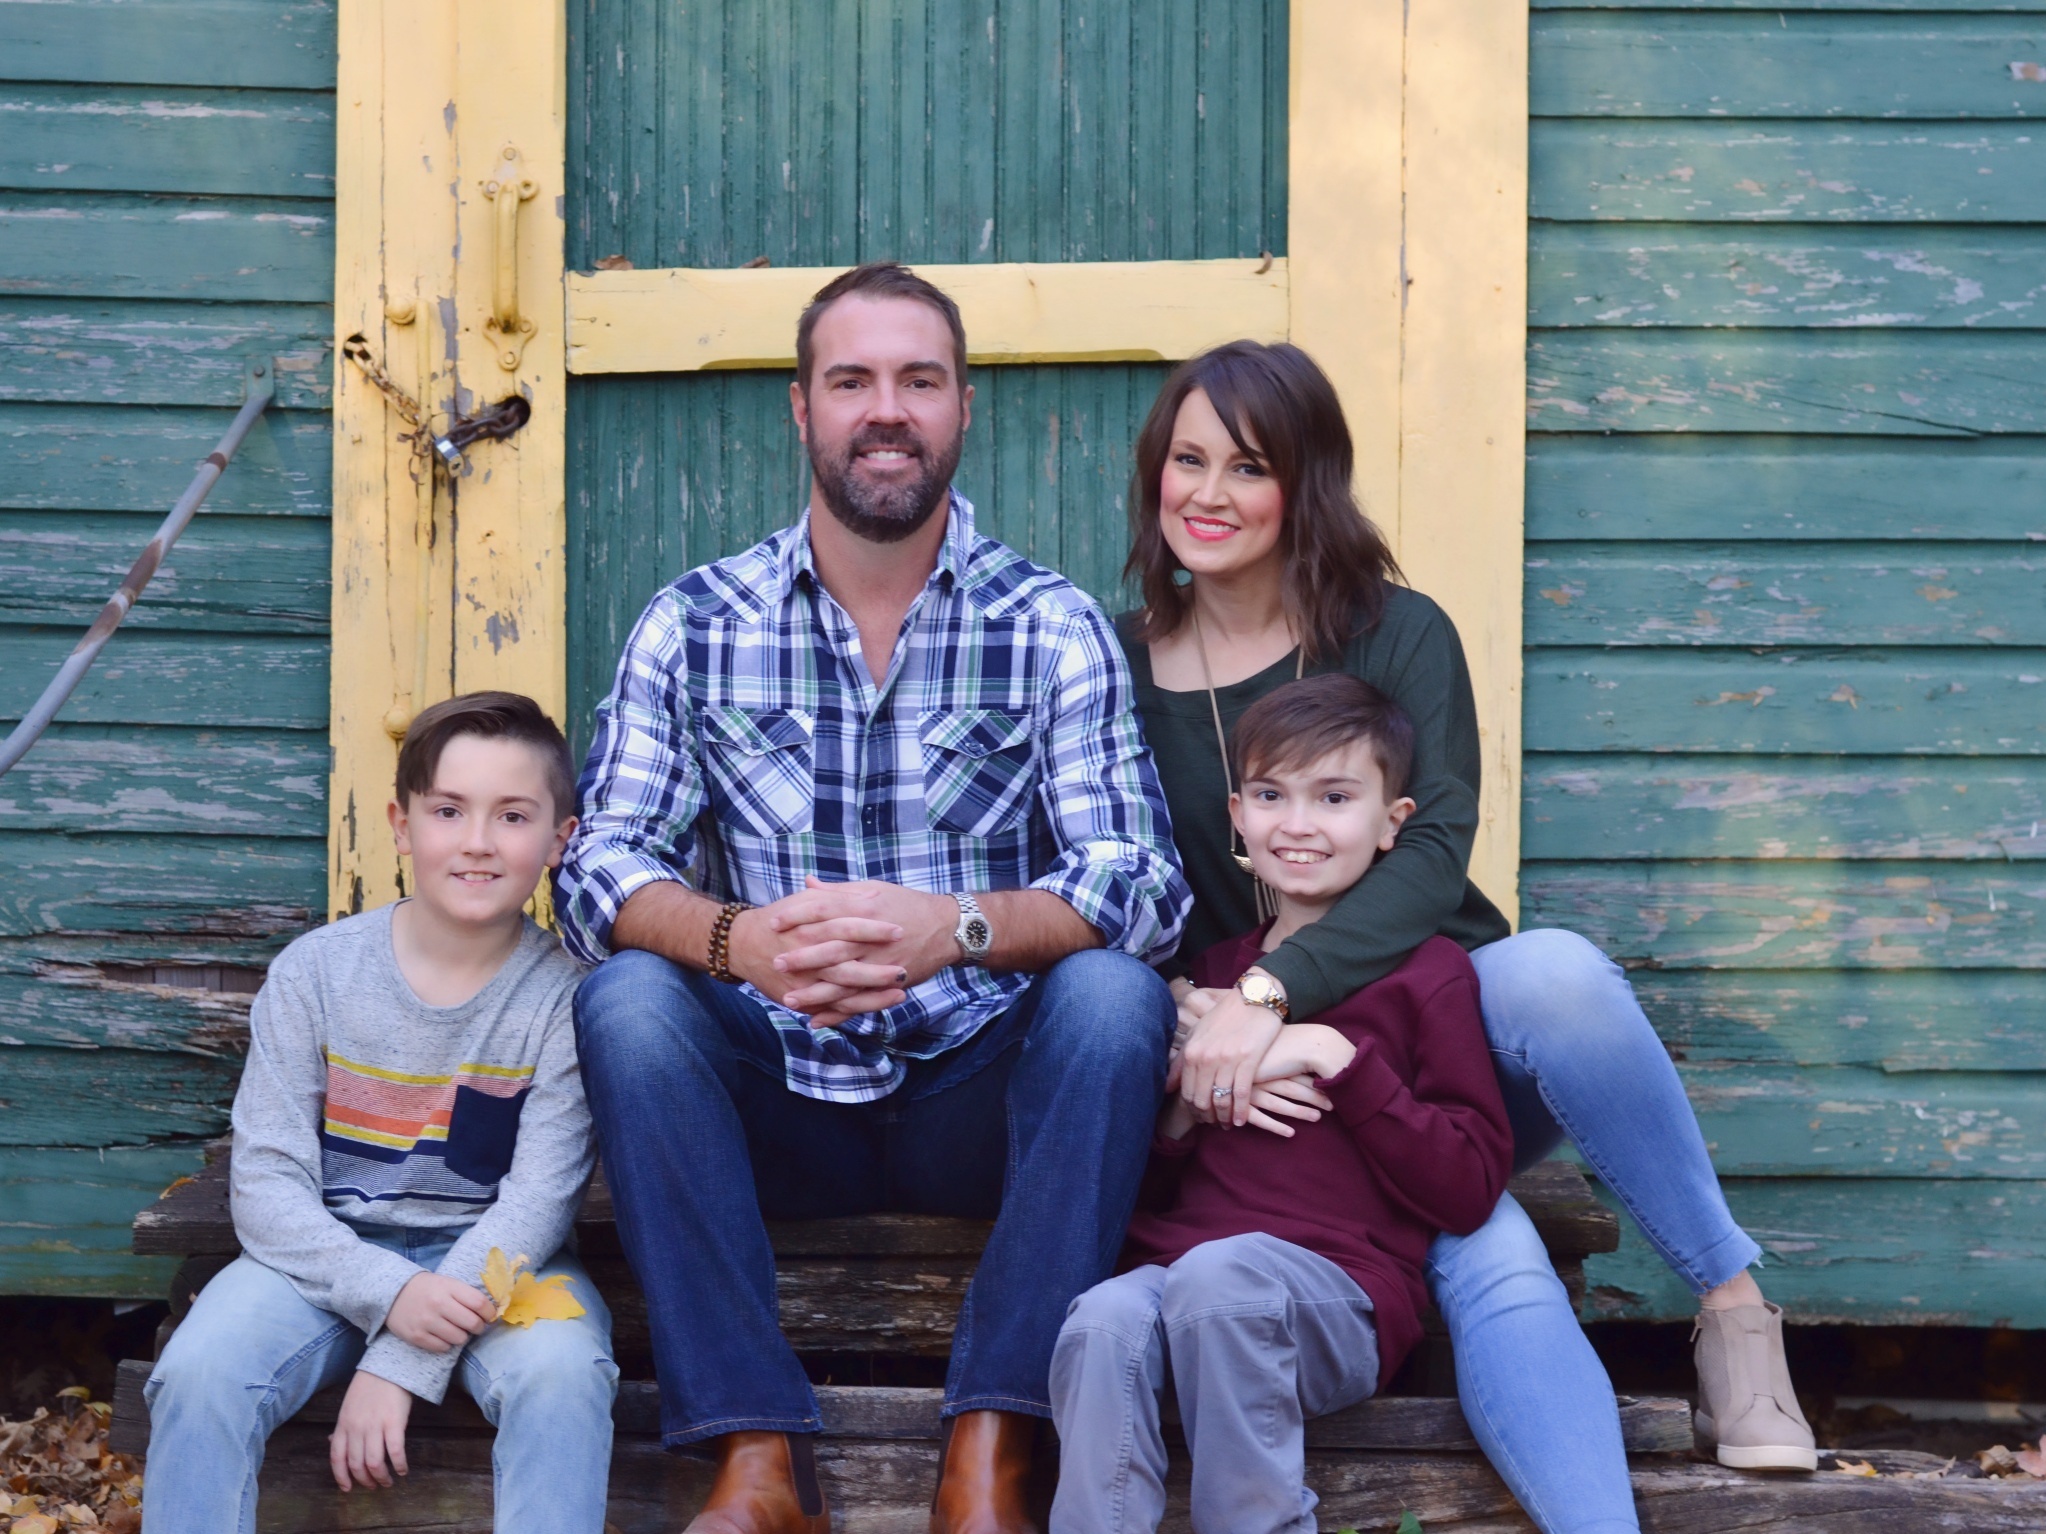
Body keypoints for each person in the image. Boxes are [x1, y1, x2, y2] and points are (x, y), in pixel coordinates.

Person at [1118, 343, 1816, 1534]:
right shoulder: (1118, 662)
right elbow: (1110, 859)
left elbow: (1433, 859)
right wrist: (1194, 1002)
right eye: (1188, 460)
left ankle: (1734, 1306)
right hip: (1259, 1089)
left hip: (1430, 1034)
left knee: (1555, 973)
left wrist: (1275, 995)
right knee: (1482, 1239)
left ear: (1308, 484)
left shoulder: (1398, 632)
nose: (1211, 494)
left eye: (1250, 465)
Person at [558, 261, 1189, 1534]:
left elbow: (1141, 879)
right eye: (852, 380)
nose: (885, 409)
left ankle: (996, 1447)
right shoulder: (695, 622)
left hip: (974, 1096)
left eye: (919, 380)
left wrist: (949, 932)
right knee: (629, 999)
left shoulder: (1050, 625)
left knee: (1116, 1000)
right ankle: (752, 1463)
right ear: (801, 408)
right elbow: (595, 865)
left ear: (963, 410)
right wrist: (739, 942)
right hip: (774, 1094)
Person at [143, 692, 618, 1534]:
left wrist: (400, 1359)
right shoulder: (314, 976)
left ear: (560, 840)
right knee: (202, 1370)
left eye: (513, 815)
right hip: (320, 1265)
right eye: (448, 810)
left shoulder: (566, 1003)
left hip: (500, 1270)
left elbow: (537, 1203)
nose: (477, 841)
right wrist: (391, 1293)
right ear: (401, 825)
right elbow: (268, 1184)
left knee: (564, 1371)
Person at [1050, 674, 1514, 1534]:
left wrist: (1336, 1058)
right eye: (1271, 795)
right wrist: (1188, 1104)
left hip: (1338, 1295)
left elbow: (1469, 1183)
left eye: (1334, 797)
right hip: (1178, 1273)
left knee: (1219, 1282)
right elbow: (1130, 1189)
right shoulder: (1210, 979)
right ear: (1237, 814)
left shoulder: (1430, 974)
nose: (1297, 824)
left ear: (1392, 824)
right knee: (1104, 1317)